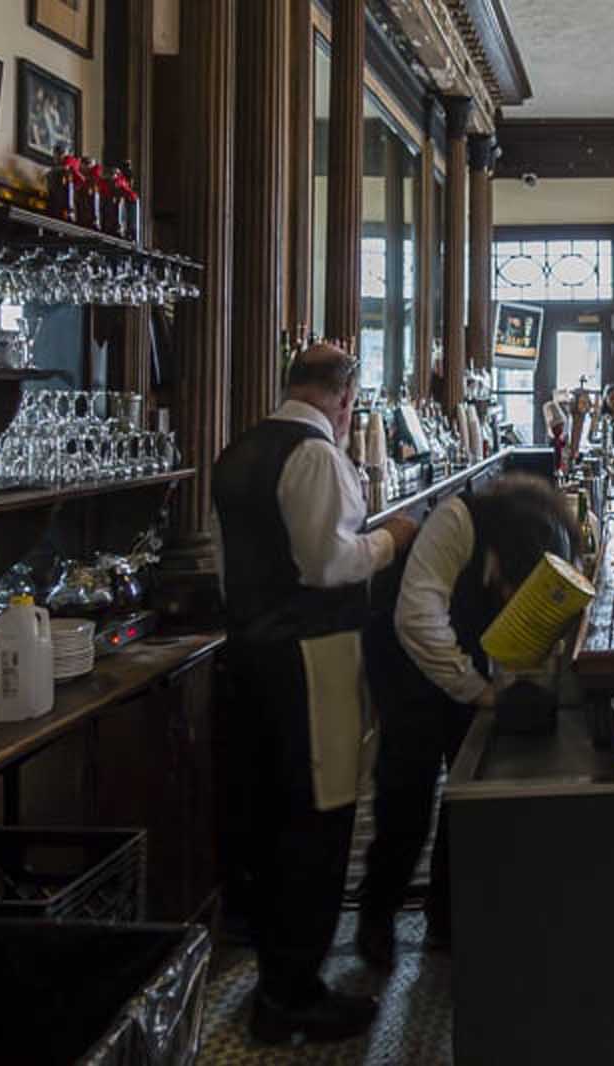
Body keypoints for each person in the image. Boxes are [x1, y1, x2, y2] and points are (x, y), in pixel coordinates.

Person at [211, 344, 418, 1045]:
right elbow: (330, 562)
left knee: (271, 816)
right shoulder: (317, 454)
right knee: (319, 817)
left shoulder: (239, 451)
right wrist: (392, 538)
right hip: (310, 656)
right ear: (345, 398)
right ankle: (294, 993)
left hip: (251, 656)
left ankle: (280, 979)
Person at [358, 475, 577, 967]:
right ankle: (376, 916)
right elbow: (415, 618)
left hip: (465, 659)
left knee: (467, 785)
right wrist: (477, 690)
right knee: (405, 792)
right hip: (404, 659)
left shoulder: (549, 534)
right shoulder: (458, 521)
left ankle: (447, 917)